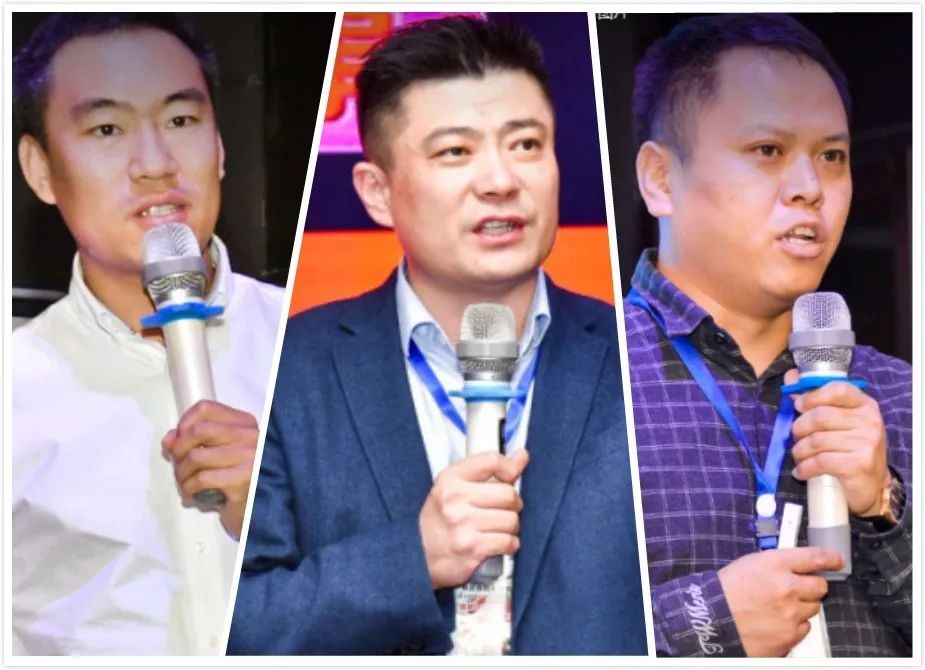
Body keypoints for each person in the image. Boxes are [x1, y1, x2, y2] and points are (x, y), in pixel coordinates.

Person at [228, 16, 646, 655]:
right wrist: (411, 560)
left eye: (527, 144)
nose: (501, 180)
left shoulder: (637, 356)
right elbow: (236, 626)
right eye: (455, 151)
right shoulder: (290, 368)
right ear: (377, 192)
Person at [626, 13, 911, 657]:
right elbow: (500, 632)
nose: (810, 189)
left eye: (831, 157)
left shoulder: (901, 394)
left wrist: (884, 506)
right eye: (767, 151)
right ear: (661, 179)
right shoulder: (585, 381)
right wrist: (703, 624)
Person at [12, 13, 284, 655]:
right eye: (107, 129)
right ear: (40, 169)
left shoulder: (309, 337)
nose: (156, 164)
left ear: (220, 148)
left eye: (181, 120)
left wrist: (281, 507)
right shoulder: (15, 386)